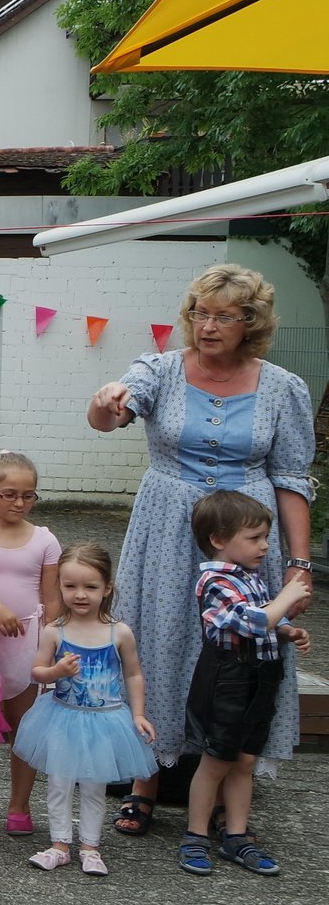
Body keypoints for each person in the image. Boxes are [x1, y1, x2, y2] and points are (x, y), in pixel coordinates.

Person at [86, 264, 315, 836]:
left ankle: (221, 779)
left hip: (247, 534)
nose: (208, 326)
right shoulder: (159, 369)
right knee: (159, 641)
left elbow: (292, 478)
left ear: (251, 323)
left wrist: (301, 565)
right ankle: (145, 780)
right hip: (167, 526)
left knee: (238, 647)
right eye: (200, 313)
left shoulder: (283, 387)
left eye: (224, 316)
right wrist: (107, 399)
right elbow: (109, 416)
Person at [177, 491, 312, 878]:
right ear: (219, 540)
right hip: (228, 681)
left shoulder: (249, 578)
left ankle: (237, 835)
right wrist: (286, 597)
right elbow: (250, 622)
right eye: (254, 538)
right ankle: (196, 835)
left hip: (261, 678)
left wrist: (287, 631)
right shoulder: (214, 580)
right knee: (217, 759)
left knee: (246, 760)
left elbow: (265, 622)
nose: (265, 546)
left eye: (266, 537)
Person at [13, 544, 157, 876]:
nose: (80, 595)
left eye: (90, 587)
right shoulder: (55, 631)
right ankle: (60, 844)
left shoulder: (118, 632)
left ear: (107, 588)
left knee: (95, 786)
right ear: (60, 586)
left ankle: (90, 847)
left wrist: (138, 714)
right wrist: (56, 672)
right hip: (63, 717)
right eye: (70, 586)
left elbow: (133, 674)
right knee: (59, 783)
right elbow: (36, 671)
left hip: (105, 721)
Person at [0, 451, 61, 839]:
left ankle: (19, 805)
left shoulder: (44, 540)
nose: (20, 503)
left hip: (25, 643)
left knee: (23, 729)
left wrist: (52, 644)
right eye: (10, 494)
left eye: (29, 496)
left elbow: (53, 599)